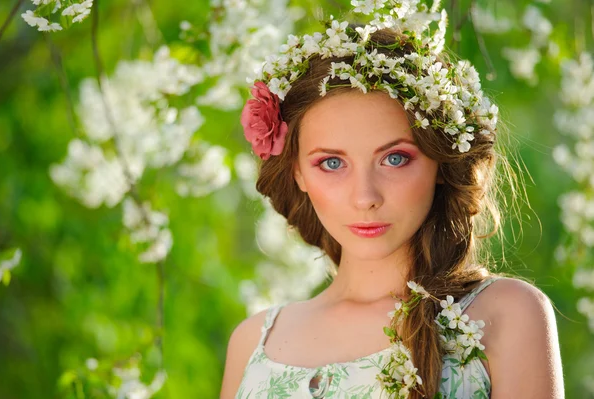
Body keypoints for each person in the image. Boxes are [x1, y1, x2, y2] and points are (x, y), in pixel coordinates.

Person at [220, 1, 564, 398]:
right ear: (297, 171)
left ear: (440, 160)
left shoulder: (504, 314)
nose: (365, 197)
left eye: (395, 158)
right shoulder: (252, 344)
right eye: (331, 163)